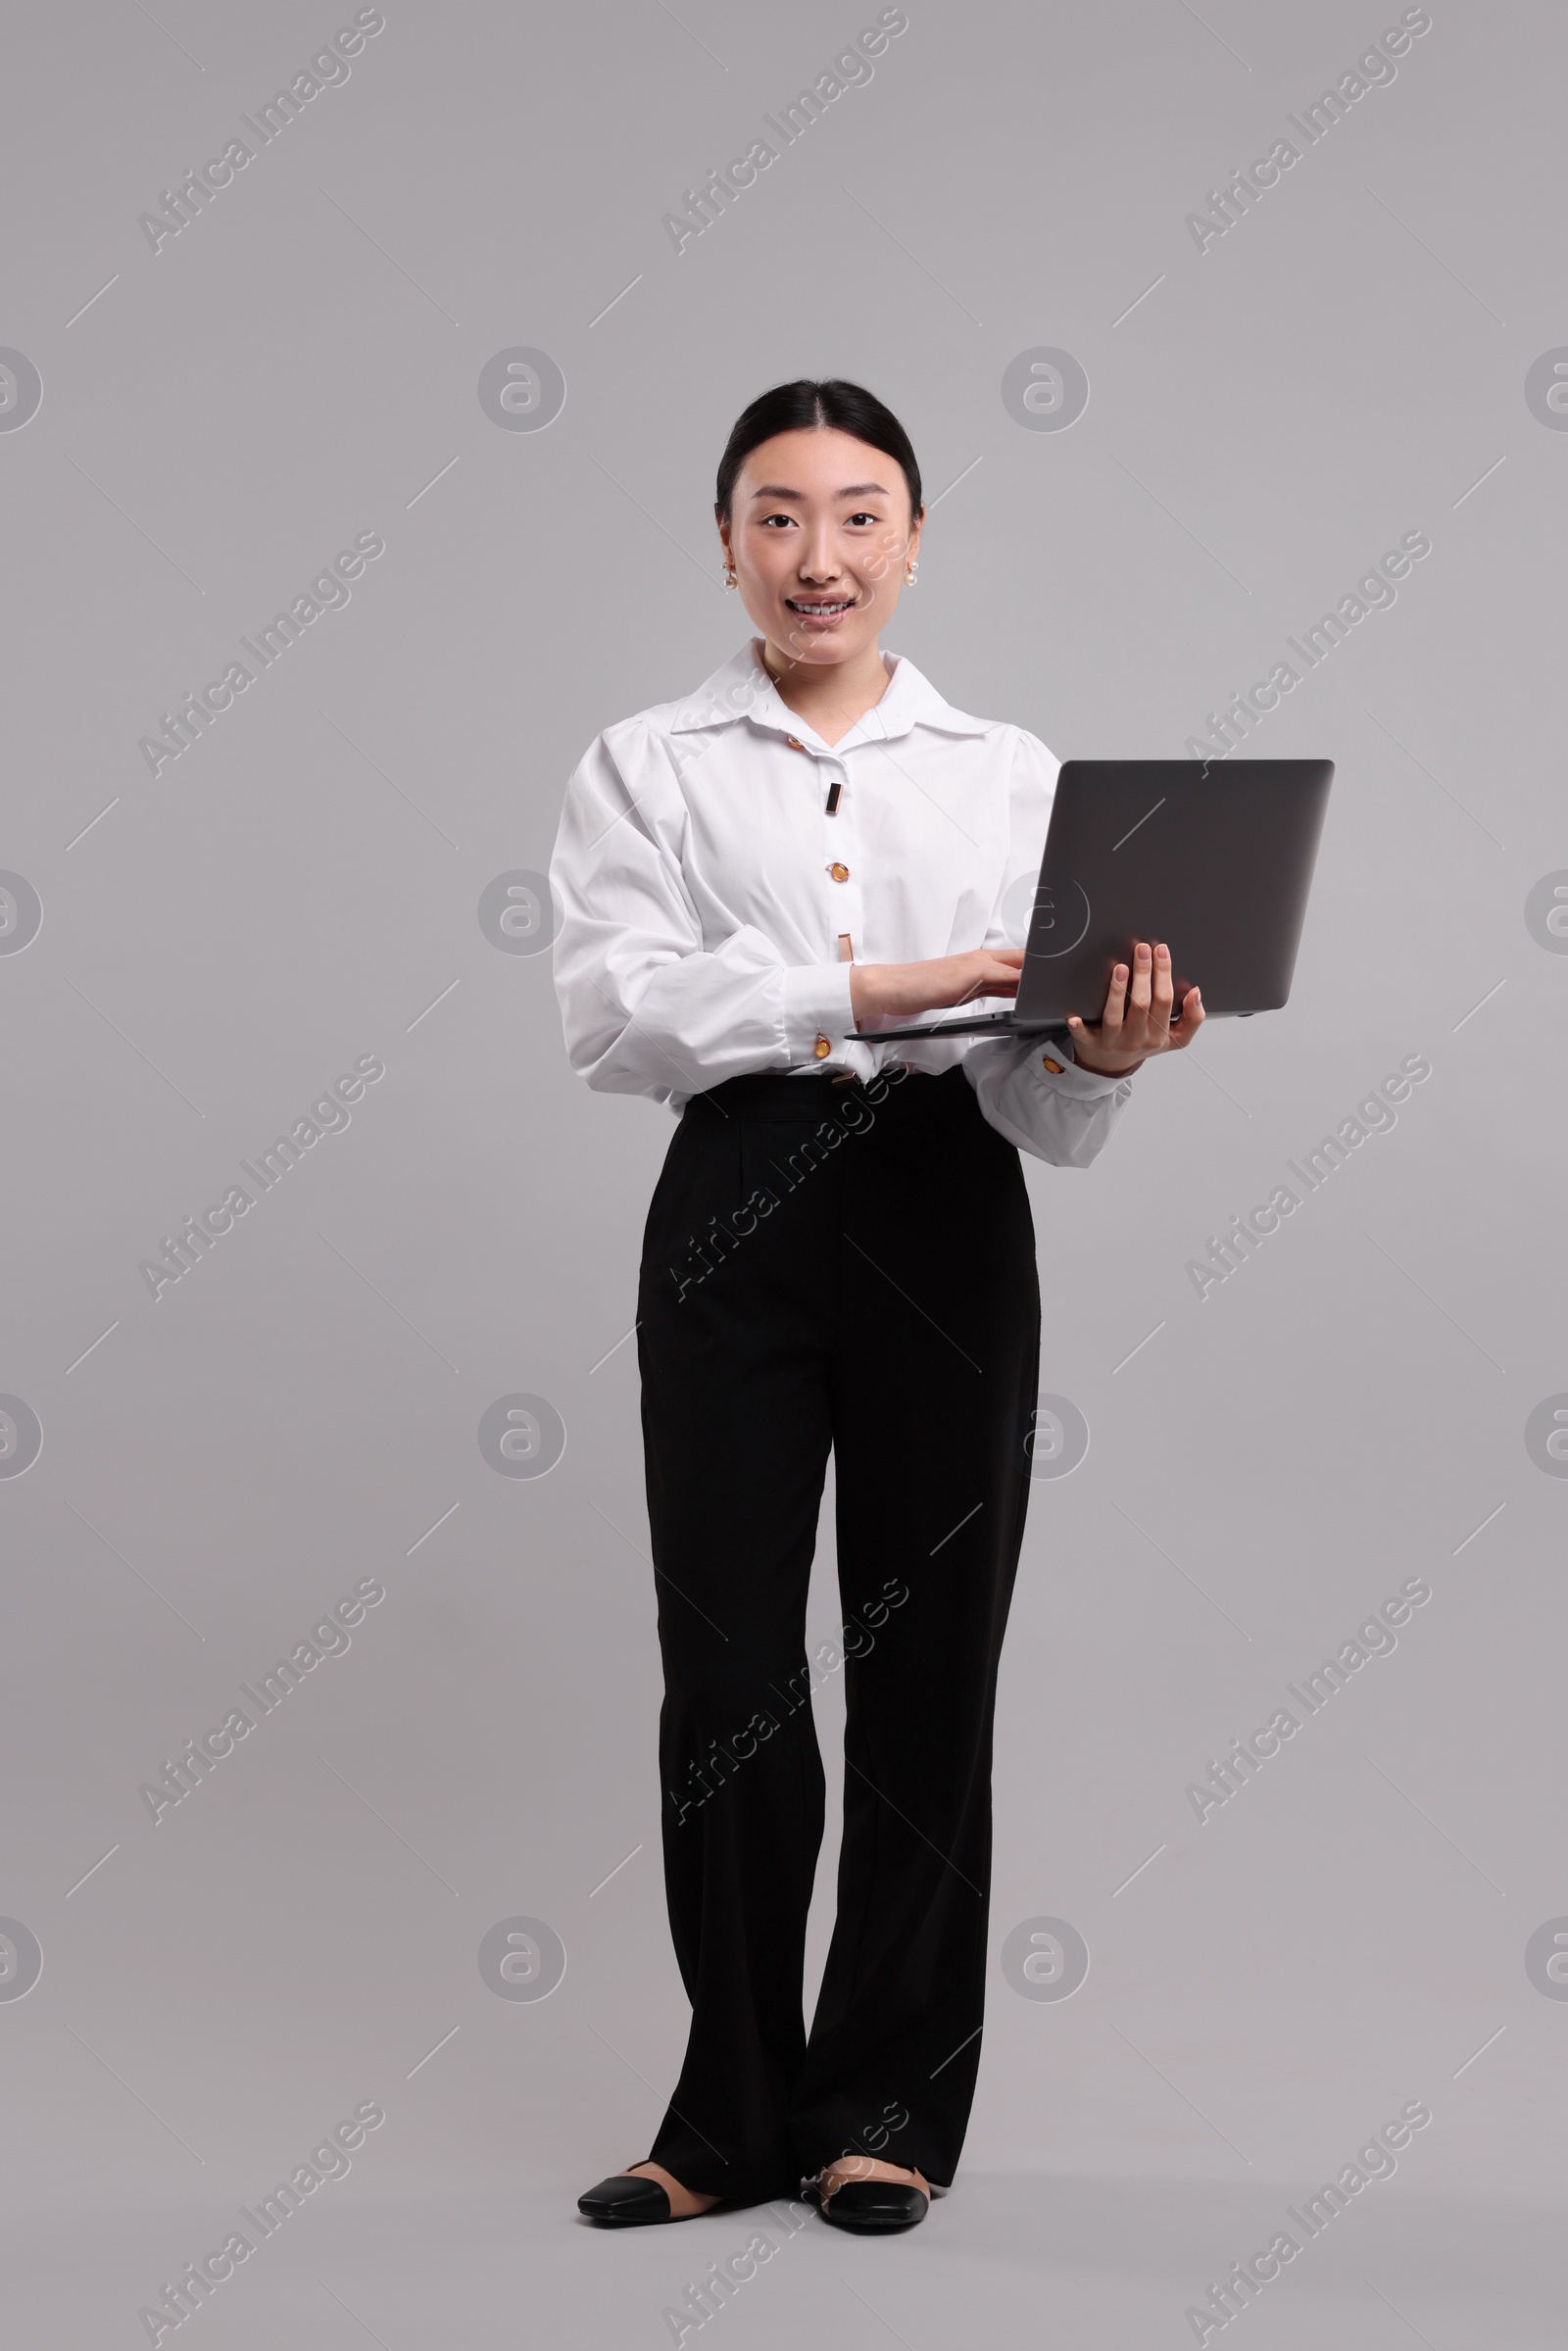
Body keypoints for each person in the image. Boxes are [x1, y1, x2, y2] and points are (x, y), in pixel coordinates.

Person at [551, 378, 1202, 2234]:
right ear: (727, 543)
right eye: (776, 514)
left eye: (857, 514)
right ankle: (726, 2116)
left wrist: (1110, 1050)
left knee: (932, 1671)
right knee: (733, 1686)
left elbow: (1035, 1110)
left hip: (940, 1211)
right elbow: (618, 1016)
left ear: (916, 539)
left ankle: (883, 2114)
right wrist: (877, 983)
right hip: (736, 1207)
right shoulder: (644, 764)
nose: (816, 554)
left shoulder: (1007, 772)